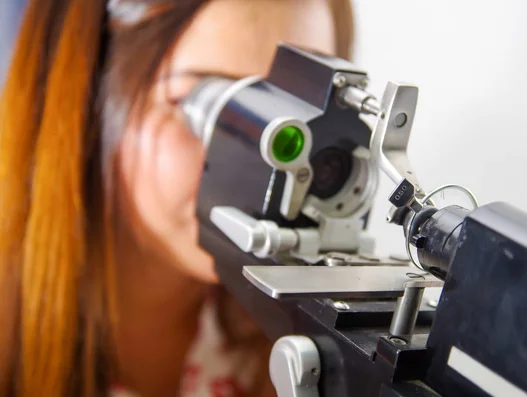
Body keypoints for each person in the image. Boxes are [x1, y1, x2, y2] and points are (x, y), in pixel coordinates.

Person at [0, 0, 354, 396]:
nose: (263, 169)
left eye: (294, 119)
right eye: (208, 106)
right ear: (88, 94)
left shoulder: (291, 352)